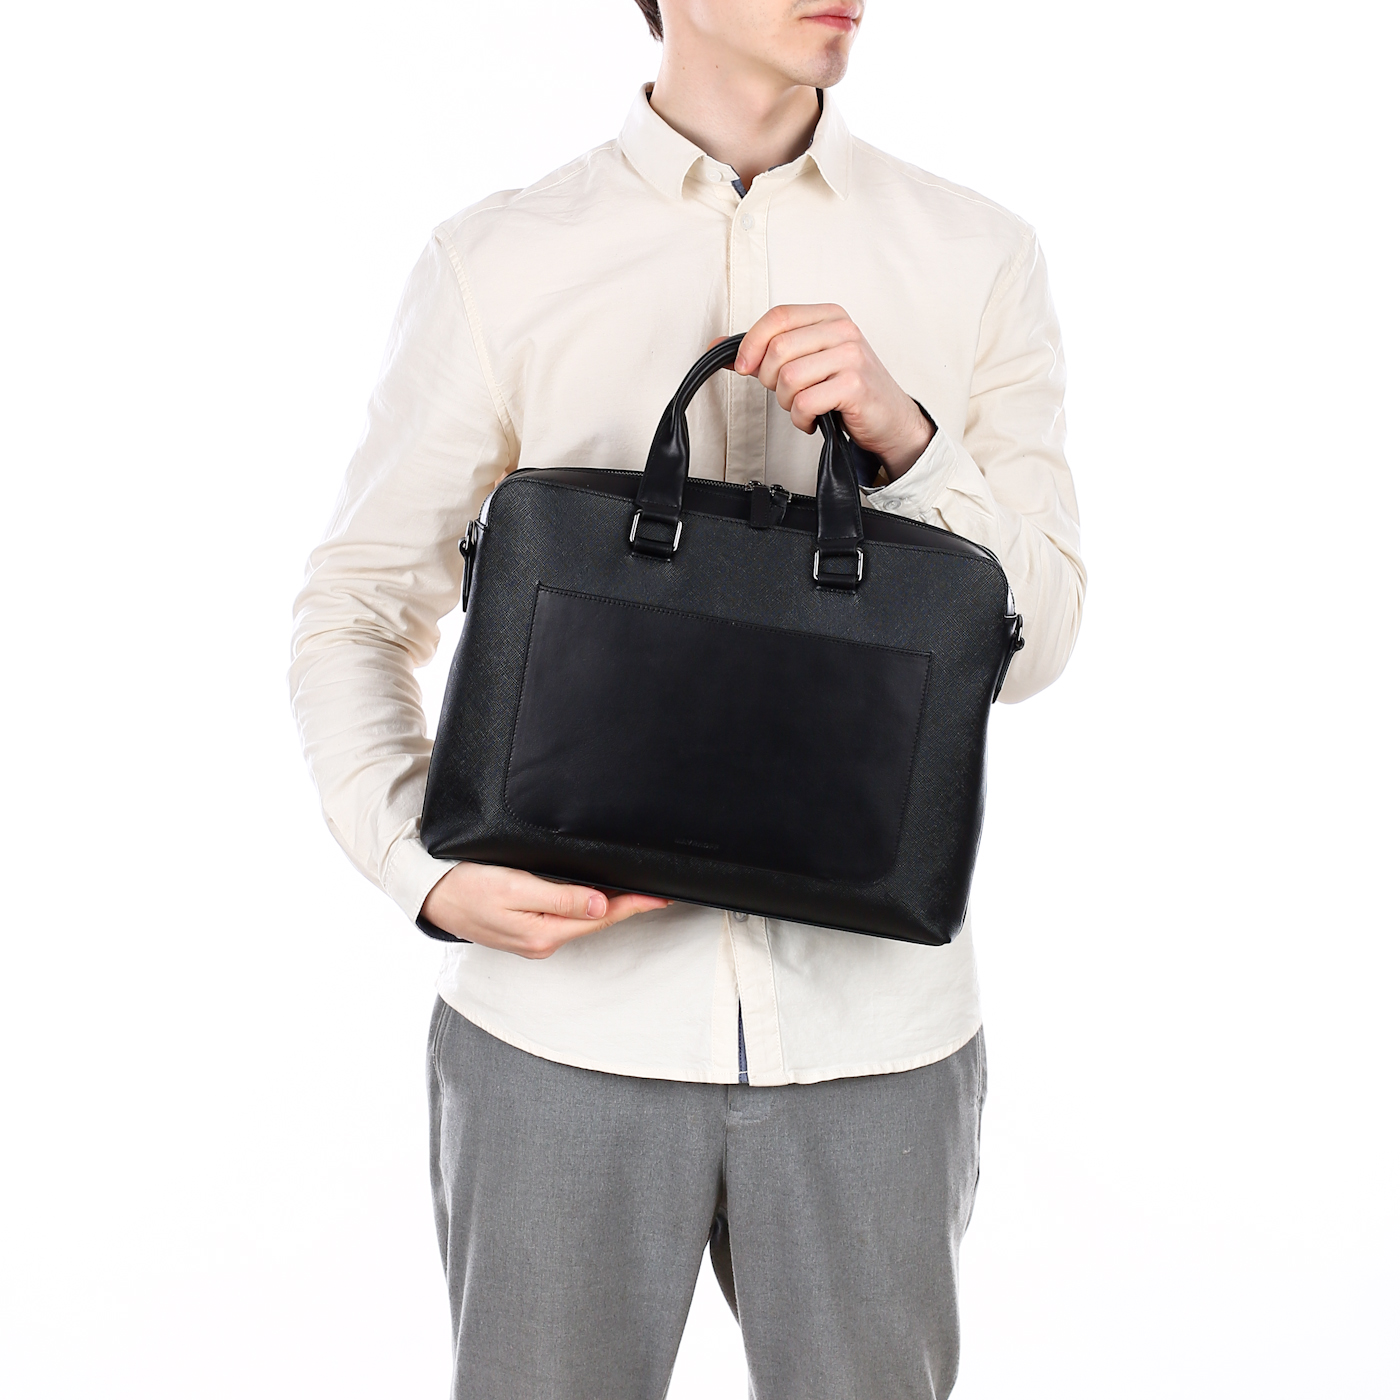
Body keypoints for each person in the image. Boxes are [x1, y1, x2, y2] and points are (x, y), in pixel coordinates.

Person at [290, 1, 1085, 1395]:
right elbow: (356, 605)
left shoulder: (976, 255)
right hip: (559, 1037)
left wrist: (911, 448)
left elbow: (1042, 643)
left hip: (877, 1047)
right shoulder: (502, 260)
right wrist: (422, 867)